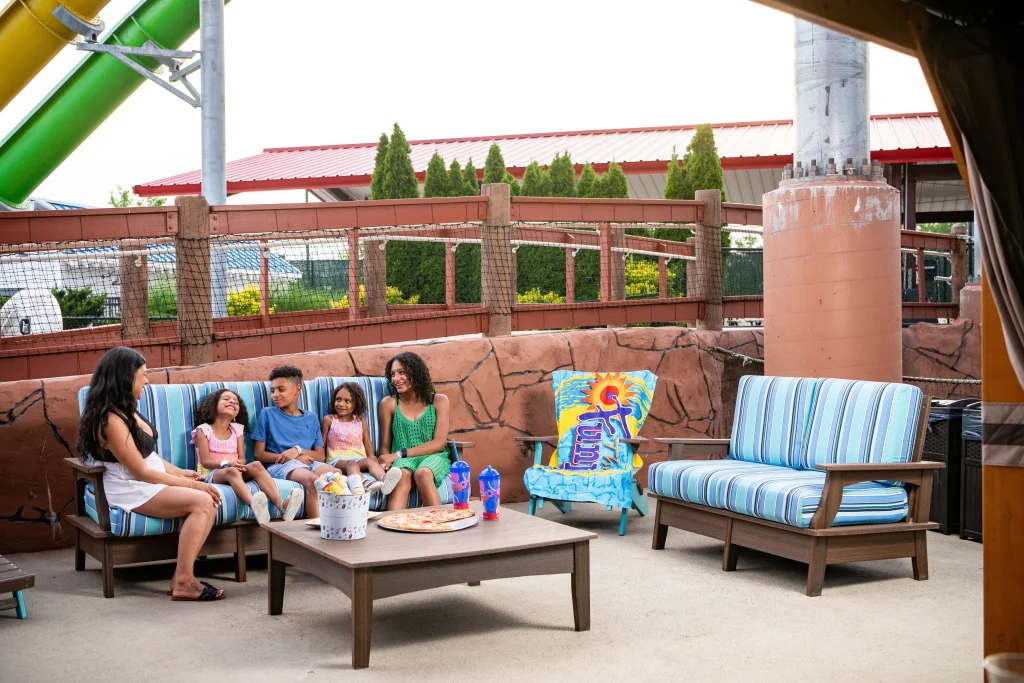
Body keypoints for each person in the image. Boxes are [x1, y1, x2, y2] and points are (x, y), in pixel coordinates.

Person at [77, 346, 226, 601]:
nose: (146, 380)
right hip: (129, 486)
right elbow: (141, 471)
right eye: (142, 374)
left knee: (207, 500)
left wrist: (182, 472)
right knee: (203, 501)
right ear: (125, 377)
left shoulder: (127, 409)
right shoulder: (112, 420)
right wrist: (190, 485)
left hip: (144, 479)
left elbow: (149, 456)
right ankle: (184, 581)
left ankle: (182, 579)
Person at [192, 388, 303, 525]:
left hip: (235, 469)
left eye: (236, 402)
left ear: (236, 414)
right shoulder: (203, 430)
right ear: (213, 407)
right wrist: (228, 464)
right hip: (212, 473)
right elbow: (206, 462)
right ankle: (255, 505)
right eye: (226, 399)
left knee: (256, 465)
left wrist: (239, 464)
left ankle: (282, 506)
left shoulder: (237, 430)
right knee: (231, 471)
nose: (232, 402)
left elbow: (243, 458)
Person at [252, 365, 340, 518]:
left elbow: (320, 456)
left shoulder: (311, 418)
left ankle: (339, 523)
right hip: (279, 466)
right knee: (313, 481)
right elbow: (258, 454)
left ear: (298, 389)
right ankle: (315, 530)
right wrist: (291, 457)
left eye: (281, 389)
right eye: (272, 391)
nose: (275, 395)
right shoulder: (267, 414)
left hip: (308, 462)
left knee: (337, 474)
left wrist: (298, 451)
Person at [378, 352, 452, 511]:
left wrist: (397, 455)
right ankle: (395, 527)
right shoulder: (389, 404)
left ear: (416, 373)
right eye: (392, 374)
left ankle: (439, 526)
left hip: (434, 456)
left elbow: (439, 444)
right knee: (402, 475)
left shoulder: (439, 401)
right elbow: (385, 444)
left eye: (401, 372)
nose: (395, 379)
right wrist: (386, 461)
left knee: (423, 473)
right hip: (404, 461)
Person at [320, 382, 397, 493]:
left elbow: (367, 442)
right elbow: (321, 444)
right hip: (337, 460)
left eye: (347, 401)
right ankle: (364, 482)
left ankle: (386, 481)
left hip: (359, 458)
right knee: (351, 463)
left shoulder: (360, 420)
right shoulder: (329, 420)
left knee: (370, 461)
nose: (341, 404)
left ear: (356, 404)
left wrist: (373, 458)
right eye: (338, 399)